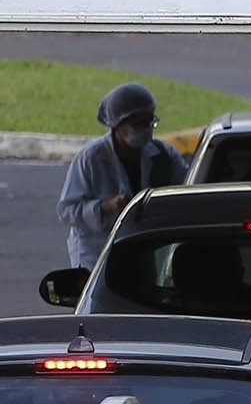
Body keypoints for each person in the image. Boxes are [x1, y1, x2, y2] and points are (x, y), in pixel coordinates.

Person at [57, 81, 187, 269]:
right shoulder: (92, 158)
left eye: (150, 122)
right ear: (117, 124)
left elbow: (186, 188)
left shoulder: (164, 155)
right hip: (96, 255)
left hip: (146, 250)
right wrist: (104, 208)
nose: (146, 129)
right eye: (138, 124)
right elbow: (67, 210)